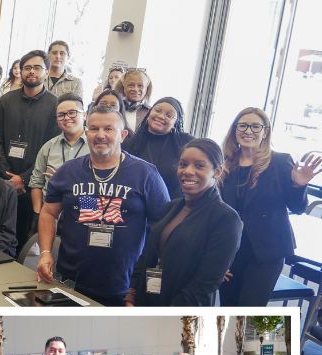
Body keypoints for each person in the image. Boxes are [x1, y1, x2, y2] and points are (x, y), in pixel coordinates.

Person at [37, 105, 170, 306]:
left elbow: (163, 225)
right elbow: (48, 212)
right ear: (86, 132)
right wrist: (45, 253)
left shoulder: (146, 174)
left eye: (109, 129)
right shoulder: (68, 171)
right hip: (71, 281)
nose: (100, 135)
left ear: (123, 135)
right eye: (94, 129)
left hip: (123, 286)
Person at [219, 107, 322, 306]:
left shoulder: (280, 161)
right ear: (234, 130)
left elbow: (298, 207)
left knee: (249, 312)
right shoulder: (225, 163)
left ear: (265, 132)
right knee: (227, 308)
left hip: (266, 252)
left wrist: (299, 185)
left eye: (256, 126)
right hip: (232, 250)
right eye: (243, 125)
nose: (248, 131)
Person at [127, 138, 242, 306]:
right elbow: (147, 257)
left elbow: (203, 286)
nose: (188, 171)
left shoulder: (226, 219)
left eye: (199, 166)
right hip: (145, 302)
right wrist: (131, 296)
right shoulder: (171, 207)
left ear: (216, 172)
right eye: (183, 164)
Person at [0, 49, 60, 251]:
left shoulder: (55, 105)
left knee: (24, 240)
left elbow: (51, 149)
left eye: (37, 67)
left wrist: (24, 178)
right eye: (27, 67)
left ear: (46, 72)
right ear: (20, 71)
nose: (31, 72)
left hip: (34, 186)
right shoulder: (5, 101)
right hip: (3, 180)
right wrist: (7, 174)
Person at [123, 96, 194, 200]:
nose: (161, 116)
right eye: (157, 110)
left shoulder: (186, 143)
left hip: (172, 205)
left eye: (169, 115)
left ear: (176, 123)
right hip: (136, 203)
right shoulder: (131, 143)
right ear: (149, 114)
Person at [29, 93, 87, 215]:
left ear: (84, 115)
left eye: (72, 112)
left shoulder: (96, 146)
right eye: (61, 115)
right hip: (50, 214)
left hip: (84, 214)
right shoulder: (48, 147)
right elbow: (36, 183)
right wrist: (39, 213)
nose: (66, 118)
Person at [114, 68, 152, 133]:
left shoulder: (150, 112)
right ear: (123, 86)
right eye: (131, 85)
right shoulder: (114, 108)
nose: (135, 89)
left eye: (140, 86)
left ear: (146, 89)